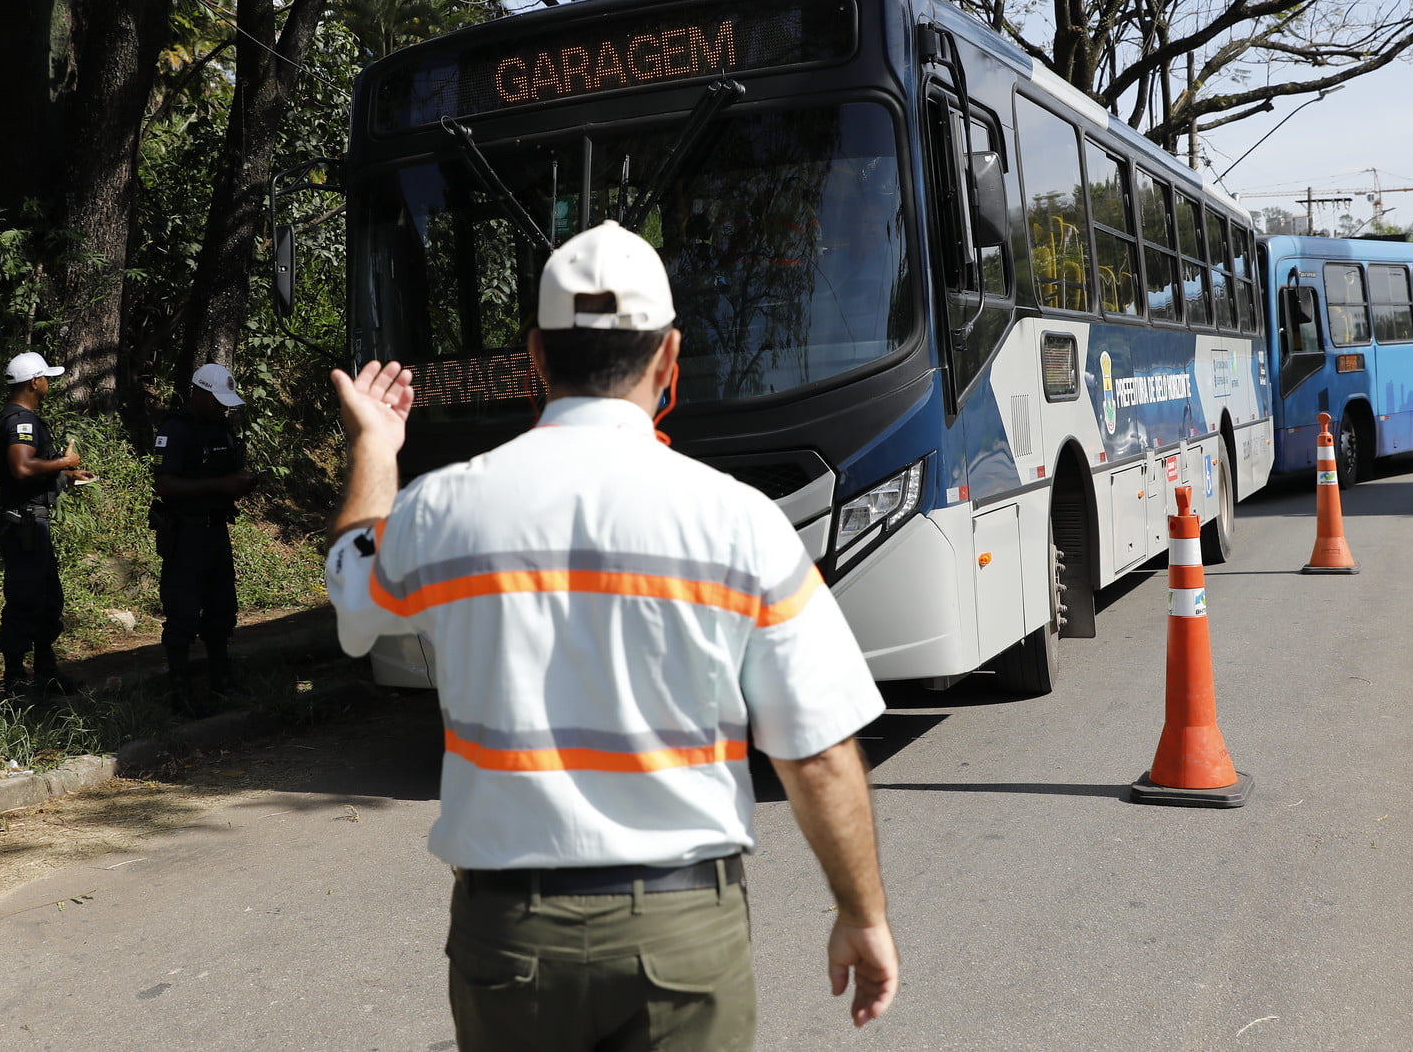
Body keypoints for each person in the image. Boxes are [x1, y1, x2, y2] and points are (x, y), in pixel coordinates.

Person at [325, 221, 899, 1051]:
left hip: (509, 939)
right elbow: (815, 752)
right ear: (668, 358)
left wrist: (376, 447)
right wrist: (861, 912)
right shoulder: (738, 521)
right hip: (681, 934)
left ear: (535, 355)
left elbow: (353, 595)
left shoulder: (446, 509)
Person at [150, 363, 259, 715]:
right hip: (186, 534)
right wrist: (220, 485)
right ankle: (180, 692)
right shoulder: (176, 430)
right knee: (182, 613)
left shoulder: (222, 428)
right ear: (198, 393)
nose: (222, 408)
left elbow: (222, 476)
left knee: (221, 609)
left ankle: (221, 682)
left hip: (216, 531)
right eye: (216, 401)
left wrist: (240, 483)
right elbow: (165, 484)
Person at [0, 352, 94, 696]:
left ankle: (46, 672)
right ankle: (15, 680)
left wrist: (66, 475)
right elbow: (21, 467)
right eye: (46, 377)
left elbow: (28, 473)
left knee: (47, 598)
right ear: (35, 382)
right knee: (25, 597)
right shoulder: (22, 421)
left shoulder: (10, 418)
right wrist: (64, 459)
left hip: (29, 522)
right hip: (26, 525)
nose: (48, 382)